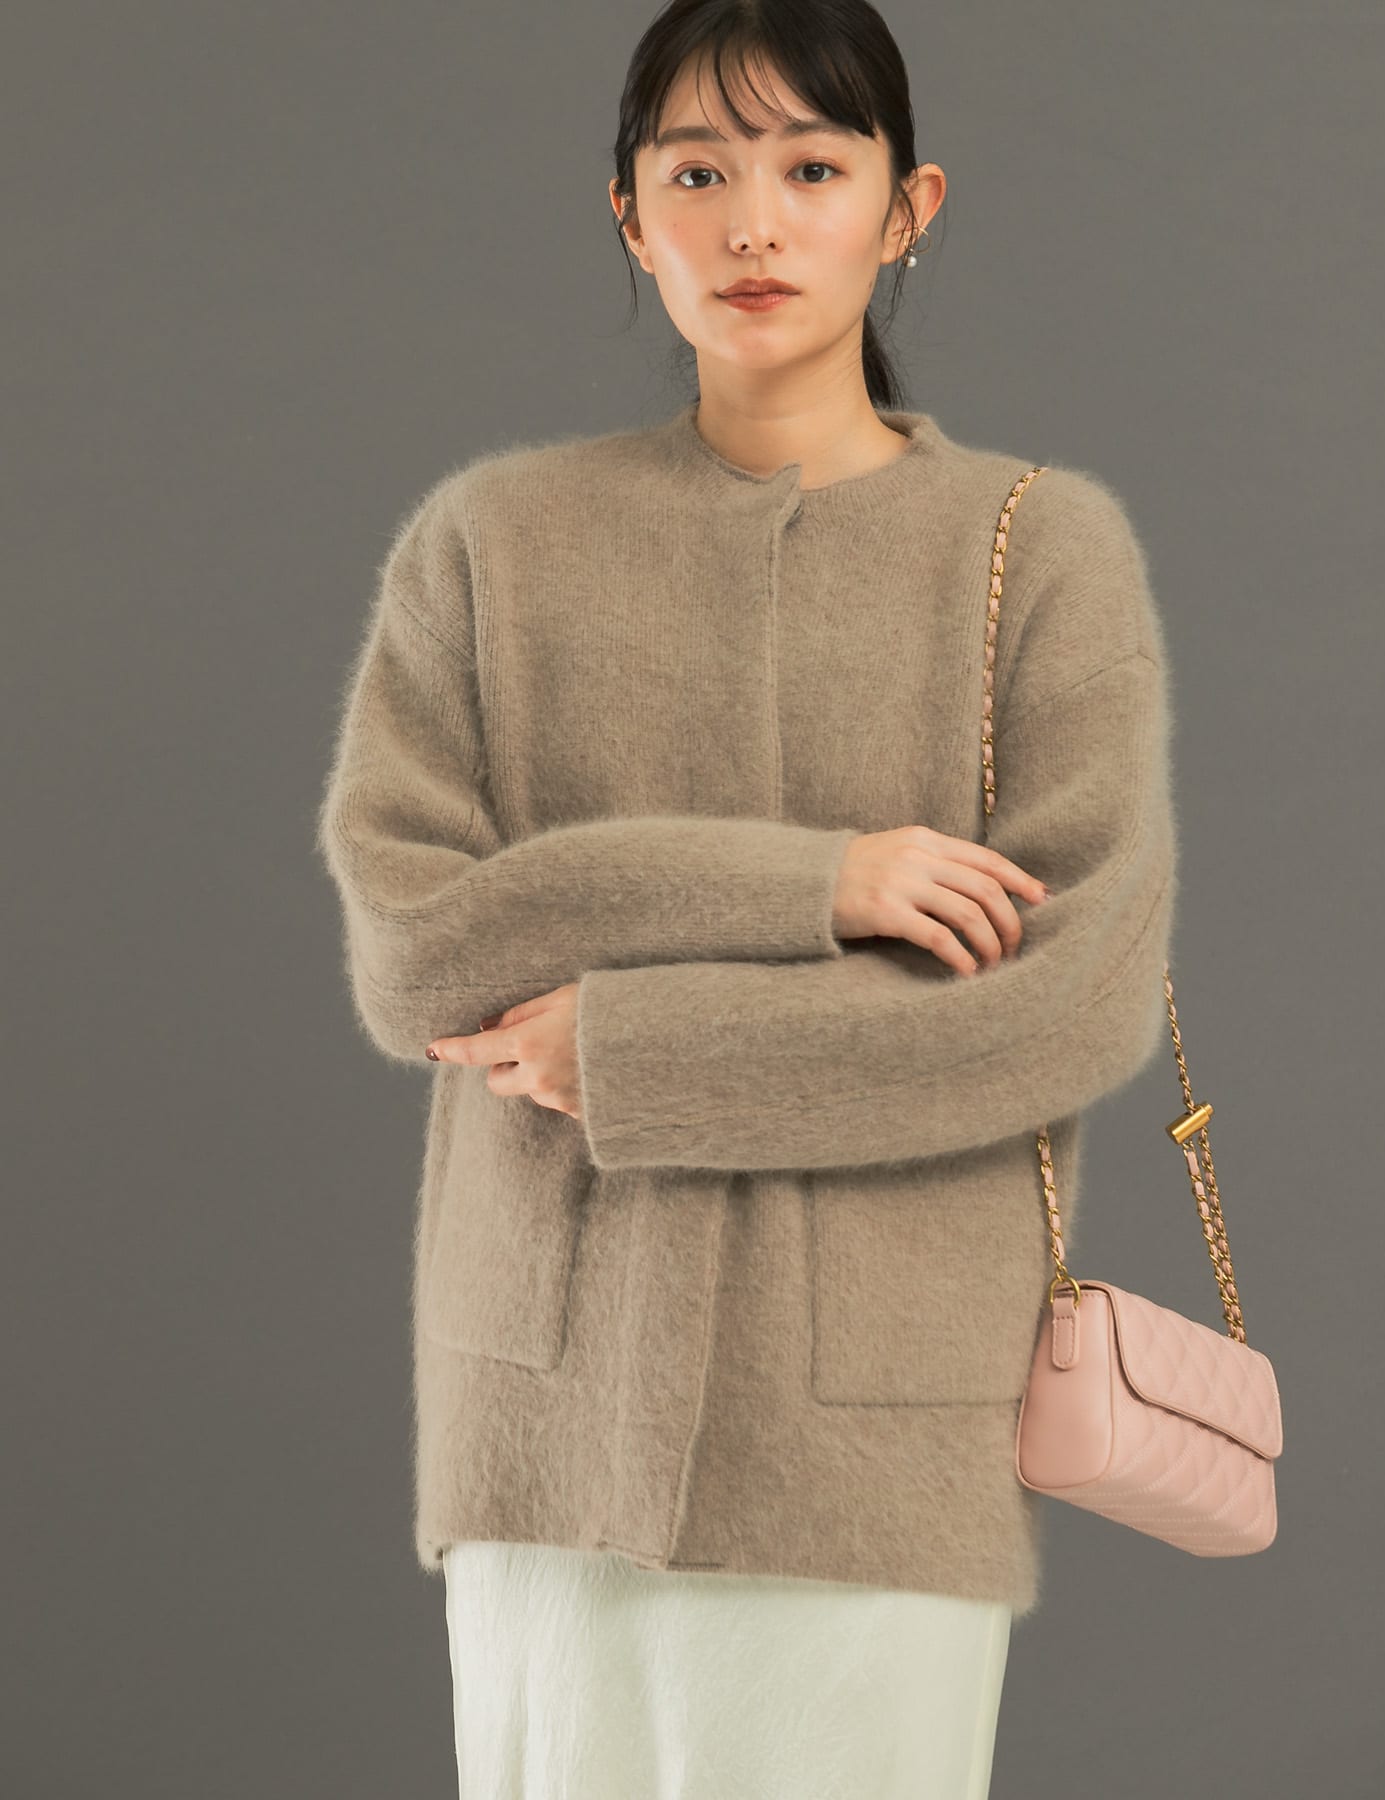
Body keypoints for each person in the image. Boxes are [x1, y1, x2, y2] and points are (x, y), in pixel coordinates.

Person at [316, 1, 1179, 1793]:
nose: (754, 224)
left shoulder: (1037, 548)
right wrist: (824, 883)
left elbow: (1066, 996)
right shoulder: (490, 542)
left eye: (814, 168)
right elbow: (416, 955)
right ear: (630, 217)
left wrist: (634, 1048)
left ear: (908, 206)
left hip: (876, 1441)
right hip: (549, 1427)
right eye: (697, 174)